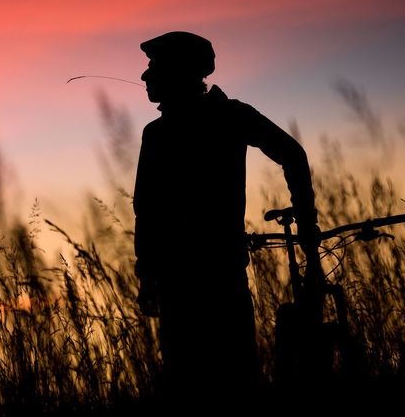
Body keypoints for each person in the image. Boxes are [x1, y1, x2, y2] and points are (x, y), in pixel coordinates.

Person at [132, 31, 319, 398]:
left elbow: (146, 210)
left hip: (192, 282)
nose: (145, 76)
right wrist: (306, 218)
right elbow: (293, 155)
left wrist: (148, 275)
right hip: (209, 278)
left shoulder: (167, 131)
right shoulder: (224, 117)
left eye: (154, 67)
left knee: (196, 382)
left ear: (179, 71)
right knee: (232, 379)